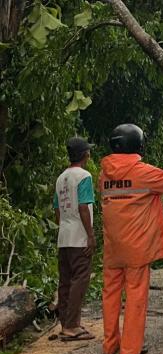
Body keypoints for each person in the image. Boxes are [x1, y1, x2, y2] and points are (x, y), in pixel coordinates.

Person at [100, 124, 163, 354]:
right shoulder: (142, 172)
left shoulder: (104, 174)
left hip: (113, 248)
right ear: (138, 145)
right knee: (135, 297)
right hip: (136, 248)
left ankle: (110, 345)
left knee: (110, 295)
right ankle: (129, 350)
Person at [53, 137, 96, 342]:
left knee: (65, 281)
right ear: (85, 154)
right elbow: (83, 207)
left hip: (64, 235)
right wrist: (90, 235)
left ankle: (66, 322)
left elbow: (57, 210)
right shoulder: (84, 176)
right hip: (79, 236)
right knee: (81, 278)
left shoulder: (61, 177)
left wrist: (64, 226)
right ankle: (72, 325)